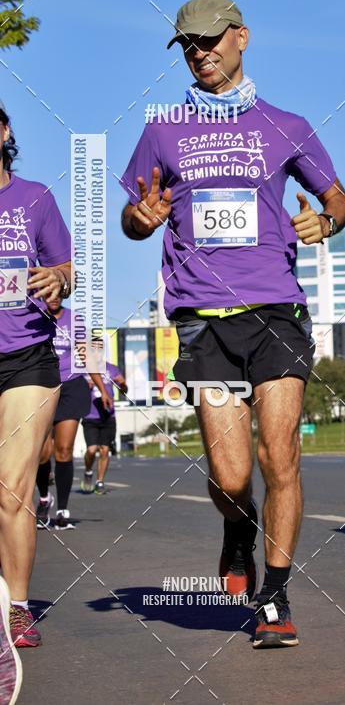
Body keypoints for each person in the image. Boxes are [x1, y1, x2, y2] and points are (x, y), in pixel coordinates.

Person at [120, 0, 345, 648]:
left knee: (281, 455)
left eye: (211, 40)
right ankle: (236, 528)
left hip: (276, 307)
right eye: (188, 45)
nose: (200, 52)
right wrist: (142, 218)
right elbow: (133, 218)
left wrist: (326, 220)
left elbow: (337, 198)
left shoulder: (286, 126)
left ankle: (274, 596)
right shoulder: (163, 130)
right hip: (201, 317)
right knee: (230, 476)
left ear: (242, 37)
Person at [0, 103, 71, 677]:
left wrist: (58, 279)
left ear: (4, 132)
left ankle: (17, 608)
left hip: (27, 355)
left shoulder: (35, 199)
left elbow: (67, 270)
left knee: (12, 486)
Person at [35, 303, 93, 530]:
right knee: (42, 453)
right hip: (42, 385)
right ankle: (43, 497)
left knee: (64, 449)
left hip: (71, 386)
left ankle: (62, 509)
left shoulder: (74, 319)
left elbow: (87, 354)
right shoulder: (34, 315)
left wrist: (101, 386)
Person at [81, 362, 127, 494]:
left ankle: (100, 482)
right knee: (91, 449)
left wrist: (123, 385)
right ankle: (88, 471)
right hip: (90, 415)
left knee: (105, 450)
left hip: (108, 415)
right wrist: (85, 386)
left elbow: (124, 390)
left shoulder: (111, 368)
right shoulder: (82, 368)